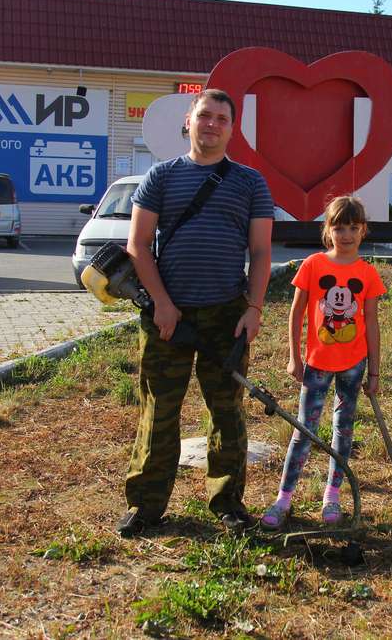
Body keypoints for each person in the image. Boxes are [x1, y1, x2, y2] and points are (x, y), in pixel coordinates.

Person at [117, 89, 274, 537]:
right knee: (159, 410)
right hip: (169, 315)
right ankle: (145, 505)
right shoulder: (161, 177)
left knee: (226, 411)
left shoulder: (250, 183)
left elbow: (261, 252)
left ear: (232, 128)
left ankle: (227, 502)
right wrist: (163, 305)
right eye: (204, 115)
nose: (212, 124)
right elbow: (138, 245)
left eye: (221, 118)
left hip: (227, 316)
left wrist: (254, 308)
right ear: (188, 121)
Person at [260, 196, 385, 529]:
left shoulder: (367, 273)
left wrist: (374, 370)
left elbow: (371, 321)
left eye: (353, 228)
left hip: (354, 364)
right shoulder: (313, 265)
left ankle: (332, 495)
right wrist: (293, 356)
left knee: (343, 431)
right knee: (305, 431)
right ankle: (283, 498)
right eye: (339, 227)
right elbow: (296, 312)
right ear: (327, 230)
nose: (346, 235)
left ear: (363, 231)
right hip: (317, 363)